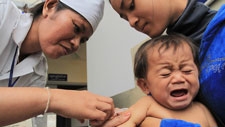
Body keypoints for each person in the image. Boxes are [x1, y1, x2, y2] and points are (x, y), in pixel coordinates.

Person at [0, 0, 131, 126]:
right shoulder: (3, 13)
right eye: (76, 28)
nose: (76, 44)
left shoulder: (37, 74)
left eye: (83, 40)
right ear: (50, 6)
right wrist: (56, 99)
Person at [109, 0, 225, 126]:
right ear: (144, 85)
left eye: (131, 5)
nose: (131, 22)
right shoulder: (147, 105)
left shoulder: (220, 31)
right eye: (125, 18)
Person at [115, 34, 217, 127]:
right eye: (166, 74)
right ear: (145, 85)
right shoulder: (147, 105)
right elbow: (126, 123)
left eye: (187, 71)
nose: (178, 79)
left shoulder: (202, 109)